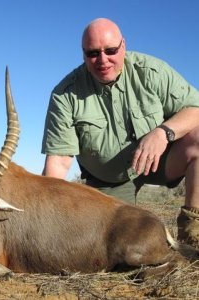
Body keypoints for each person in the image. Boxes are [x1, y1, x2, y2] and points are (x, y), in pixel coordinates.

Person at [41, 18, 199, 248]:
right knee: (110, 247)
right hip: (108, 180)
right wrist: (45, 212)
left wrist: (163, 133)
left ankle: (192, 235)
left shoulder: (152, 71)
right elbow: (59, 162)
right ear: (83, 53)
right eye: (93, 53)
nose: (103, 60)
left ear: (123, 45)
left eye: (111, 50)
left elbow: (194, 109)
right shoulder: (65, 94)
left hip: (158, 161)